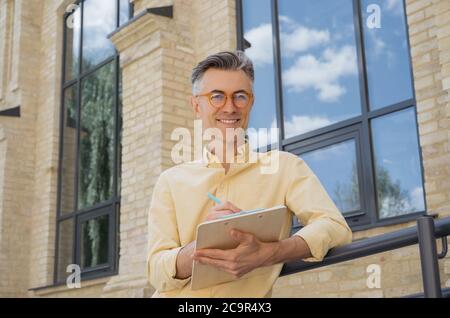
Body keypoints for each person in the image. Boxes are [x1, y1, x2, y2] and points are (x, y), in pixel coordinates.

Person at [147, 51, 352, 298]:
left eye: (240, 97)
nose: (230, 107)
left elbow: (335, 227)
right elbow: (156, 270)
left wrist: (270, 252)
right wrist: (201, 248)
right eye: (217, 97)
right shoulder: (171, 180)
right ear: (196, 105)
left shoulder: (284, 167)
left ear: (251, 103)